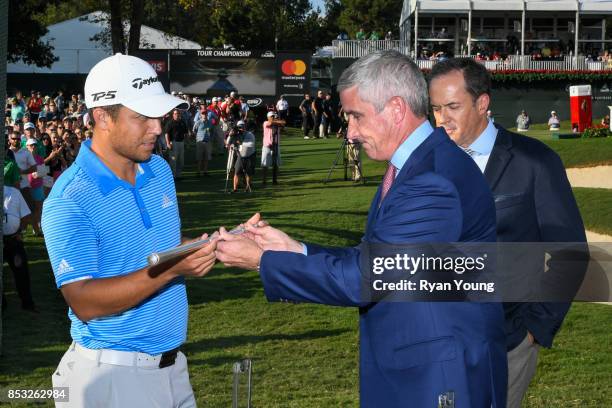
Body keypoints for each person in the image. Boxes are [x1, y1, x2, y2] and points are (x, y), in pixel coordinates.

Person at [216, 50, 507, 408]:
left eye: (356, 116)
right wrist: (293, 250)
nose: (350, 132)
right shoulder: (419, 167)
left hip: (437, 380)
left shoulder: (430, 179)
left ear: (397, 109)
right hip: (427, 369)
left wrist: (264, 261)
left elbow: (366, 278)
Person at [41, 54, 217, 407]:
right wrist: (172, 269)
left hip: (173, 368)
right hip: (112, 379)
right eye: (142, 117)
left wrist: (205, 245)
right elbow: (84, 300)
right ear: (102, 117)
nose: (157, 128)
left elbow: (160, 246)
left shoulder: (158, 171)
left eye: (158, 116)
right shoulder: (70, 198)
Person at [429, 57, 586, 408]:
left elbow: (571, 254)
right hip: (434, 343)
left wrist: (532, 330)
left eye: (453, 106)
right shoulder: (427, 165)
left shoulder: (534, 162)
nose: (441, 119)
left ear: (482, 103)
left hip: (506, 343)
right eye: (436, 108)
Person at [3, 161, 37, 312]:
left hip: (13, 240)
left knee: (21, 272)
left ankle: (27, 304)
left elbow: (26, 216)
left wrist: (19, 232)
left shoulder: (13, 193)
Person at [261, 111, 285, 186]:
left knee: (275, 164)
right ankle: (264, 181)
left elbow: (284, 122)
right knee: (265, 164)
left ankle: (274, 180)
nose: (273, 117)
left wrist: (278, 121)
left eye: (274, 116)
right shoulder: (265, 122)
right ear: (268, 117)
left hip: (275, 145)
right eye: (272, 116)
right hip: (267, 146)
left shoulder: (276, 123)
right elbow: (270, 123)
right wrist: (278, 121)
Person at [164, 109, 189, 178]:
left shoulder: (182, 122)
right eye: (175, 113)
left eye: (178, 113)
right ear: (173, 115)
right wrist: (168, 143)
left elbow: (186, 133)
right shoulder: (170, 123)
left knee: (181, 160)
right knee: (173, 160)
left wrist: (187, 142)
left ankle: (178, 175)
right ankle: (173, 176)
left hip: (181, 142)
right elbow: (166, 134)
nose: (177, 115)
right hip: (173, 143)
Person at [232, 120, 256, 193]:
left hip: (249, 155)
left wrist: (241, 143)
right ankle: (235, 188)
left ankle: (247, 187)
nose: (241, 128)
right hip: (240, 155)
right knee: (237, 172)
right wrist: (230, 135)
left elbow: (251, 144)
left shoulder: (249, 134)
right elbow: (227, 143)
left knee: (248, 172)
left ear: (245, 126)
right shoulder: (236, 134)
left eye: (242, 126)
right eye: (239, 127)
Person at [193, 104, 213, 176]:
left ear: (207, 114)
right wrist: (198, 138)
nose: (204, 115)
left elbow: (212, 131)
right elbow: (194, 130)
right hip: (200, 142)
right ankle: (198, 171)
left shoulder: (210, 122)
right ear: (200, 114)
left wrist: (210, 138)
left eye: (205, 113)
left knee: (206, 157)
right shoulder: (198, 122)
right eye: (203, 114)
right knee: (199, 157)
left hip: (208, 142)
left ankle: (205, 171)